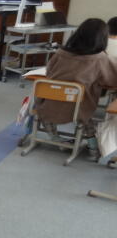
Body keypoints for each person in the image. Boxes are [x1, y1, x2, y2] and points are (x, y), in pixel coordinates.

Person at [35, 18, 117, 160]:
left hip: (48, 102)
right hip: (79, 108)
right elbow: (110, 80)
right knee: (85, 115)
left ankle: (54, 137)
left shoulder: (60, 53)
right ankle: (93, 149)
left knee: (48, 99)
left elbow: (49, 72)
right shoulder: (99, 58)